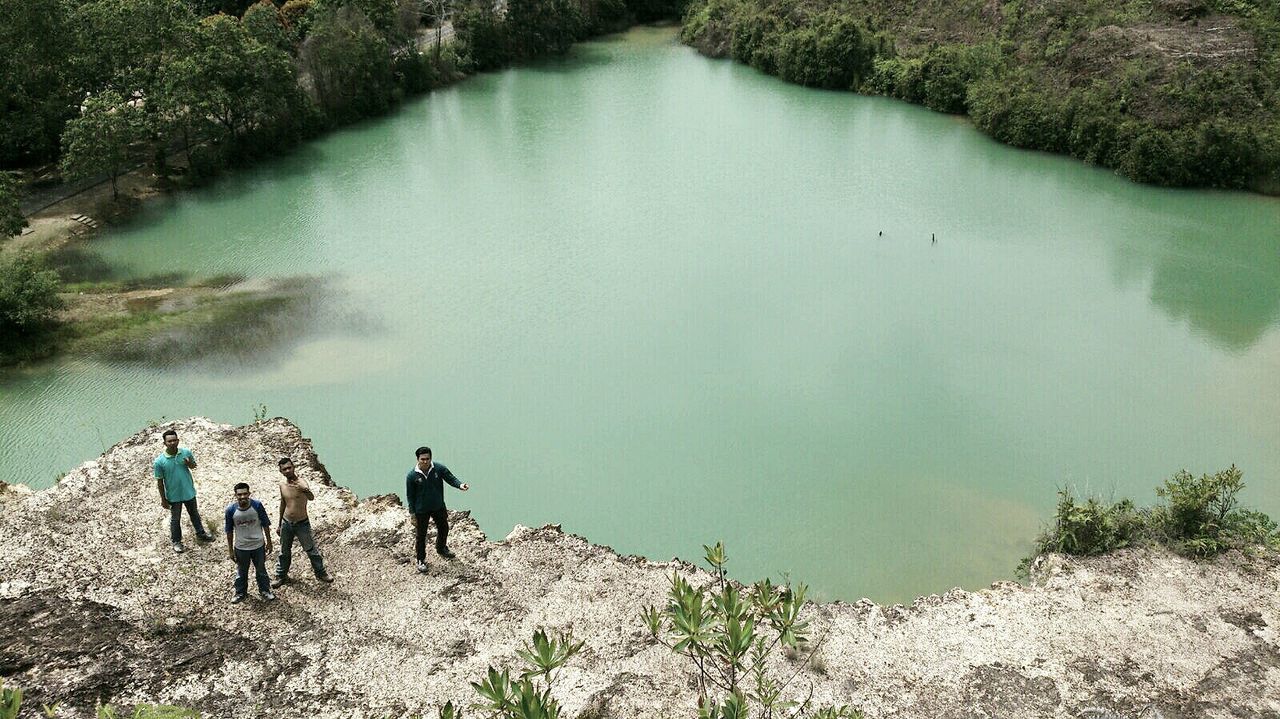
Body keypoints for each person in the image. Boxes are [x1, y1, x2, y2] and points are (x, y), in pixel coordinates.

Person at [405, 446, 469, 574]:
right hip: (421, 510)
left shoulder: (438, 469)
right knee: (421, 536)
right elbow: (410, 496)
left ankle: (441, 548)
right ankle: (421, 559)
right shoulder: (412, 476)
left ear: (431, 458)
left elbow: (450, 478)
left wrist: (460, 485)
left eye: (427, 459)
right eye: (422, 459)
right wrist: (412, 514)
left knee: (444, 527)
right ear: (417, 459)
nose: (425, 461)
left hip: (438, 506)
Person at [272, 457, 334, 588]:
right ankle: (281, 575)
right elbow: (283, 504)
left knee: (311, 550)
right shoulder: (282, 485)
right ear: (281, 471)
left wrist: (304, 489)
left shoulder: (302, 483)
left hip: (302, 523)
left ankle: (321, 573)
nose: (288, 470)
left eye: (289, 467)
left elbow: (311, 498)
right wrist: (279, 524)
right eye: (284, 469)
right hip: (286, 522)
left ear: (293, 467)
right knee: (284, 551)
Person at [153, 429, 213, 553]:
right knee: (175, 519)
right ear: (164, 443)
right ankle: (176, 541)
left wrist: (189, 462)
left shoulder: (186, 452)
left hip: (188, 492)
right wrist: (163, 499)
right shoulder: (159, 461)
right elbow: (160, 482)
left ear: (178, 441)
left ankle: (201, 533)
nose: (172, 443)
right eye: (169, 441)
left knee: (194, 514)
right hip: (173, 495)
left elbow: (193, 466)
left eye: (174, 440)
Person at [225, 482, 275, 603]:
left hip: (258, 545)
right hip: (241, 547)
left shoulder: (257, 505)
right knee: (241, 571)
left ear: (249, 493)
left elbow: (266, 524)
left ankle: (265, 590)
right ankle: (240, 592)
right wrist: (231, 550)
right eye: (239, 494)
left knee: (261, 570)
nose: (242, 497)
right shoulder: (230, 510)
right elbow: (229, 531)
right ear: (235, 495)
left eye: (245, 494)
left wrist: (269, 542)